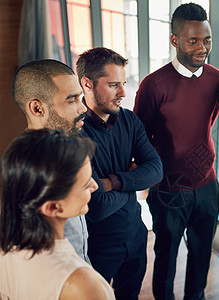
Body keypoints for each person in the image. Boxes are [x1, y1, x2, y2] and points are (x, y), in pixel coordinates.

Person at [134, 3, 219, 299]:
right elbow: (140, 140)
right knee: (166, 259)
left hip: (208, 185)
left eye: (207, 40)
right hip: (169, 189)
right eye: (193, 40)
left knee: (201, 260)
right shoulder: (153, 86)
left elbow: (207, 123)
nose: (202, 47)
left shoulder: (216, 80)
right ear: (175, 40)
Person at [77, 47, 163, 299]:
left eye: (123, 83)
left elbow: (156, 170)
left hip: (136, 235)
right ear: (87, 84)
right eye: (114, 84)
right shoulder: (76, 132)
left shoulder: (130, 121)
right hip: (98, 245)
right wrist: (133, 181)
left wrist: (112, 182)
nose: (123, 93)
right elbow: (97, 208)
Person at [0, 129, 115, 300]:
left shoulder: (6, 250)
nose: (95, 186)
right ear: (53, 207)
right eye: (85, 185)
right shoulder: (80, 283)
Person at [11, 59, 91, 263]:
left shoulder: (67, 153)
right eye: (72, 100)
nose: (83, 109)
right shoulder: (23, 171)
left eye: (80, 98)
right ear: (37, 109)